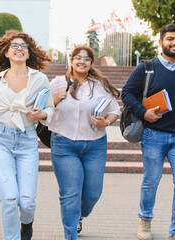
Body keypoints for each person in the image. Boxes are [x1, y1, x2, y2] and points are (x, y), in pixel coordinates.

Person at [121, 24, 175, 240]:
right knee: (151, 181)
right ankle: (145, 222)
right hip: (153, 134)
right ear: (161, 42)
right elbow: (127, 93)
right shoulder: (146, 67)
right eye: (170, 39)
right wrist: (144, 113)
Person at [0, 30, 54, 240]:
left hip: (27, 140)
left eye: (24, 46)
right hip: (0, 140)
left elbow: (50, 109)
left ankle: (27, 224)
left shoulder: (40, 79)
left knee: (27, 201)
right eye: (14, 46)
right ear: (6, 53)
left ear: (29, 54)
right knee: (10, 199)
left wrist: (42, 114)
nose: (19, 48)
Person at [48, 45, 121, 240]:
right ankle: (70, 235)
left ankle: (79, 215)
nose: (81, 61)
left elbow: (115, 110)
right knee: (70, 193)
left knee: (92, 194)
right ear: (71, 61)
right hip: (64, 144)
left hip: (95, 145)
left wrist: (106, 121)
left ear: (91, 63)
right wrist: (54, 100)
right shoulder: (57, 83)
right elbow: (40, 111)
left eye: (86, 58)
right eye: (77, 58)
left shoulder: (100, 84)